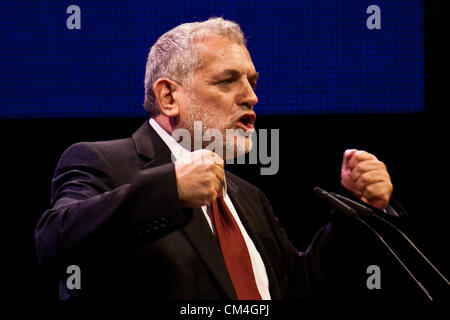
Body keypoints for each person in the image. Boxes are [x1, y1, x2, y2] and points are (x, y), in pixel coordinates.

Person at [35, 18, 398, 300]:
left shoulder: (248, 197)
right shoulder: (102, 162)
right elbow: (54, 242)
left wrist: (357, 212)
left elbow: (299, 287)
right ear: (168, 98)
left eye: (252, 82)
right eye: (227, 81)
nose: (251, 97)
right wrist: (170, 189)